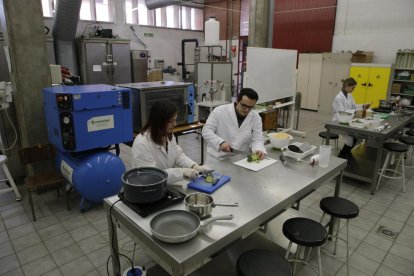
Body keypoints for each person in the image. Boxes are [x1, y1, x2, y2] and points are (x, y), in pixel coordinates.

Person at [132, 100, 210, 184]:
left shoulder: (166, 134)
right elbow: (151, 176)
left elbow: (178, 155)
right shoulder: (142, 144)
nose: (175, 124)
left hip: (164, 186)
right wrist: (181, 172)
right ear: (158, 122)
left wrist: (195, 166)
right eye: (170, 121)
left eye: (175, 120)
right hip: (146, 190)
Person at [202, 88, 267, 160]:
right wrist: (220, 142)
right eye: (244, 106)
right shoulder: (219, 111)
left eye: (250, 107)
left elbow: (257, 139)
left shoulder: (255, 118)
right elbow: (206, 131)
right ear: (237, 101)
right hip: (217, 159)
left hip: (239, 160)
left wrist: (258, 149)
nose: (246, 110)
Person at [332, 77, 369, 158]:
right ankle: (341, 156)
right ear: (347, 86)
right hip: (338, 122)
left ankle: (346, 153)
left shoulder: (349, 95)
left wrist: (363, 106)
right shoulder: (339, 97)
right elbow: (342, 112)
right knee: (351, 138)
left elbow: (354, 106)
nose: (354, 89)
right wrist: (355, 112)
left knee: (357, 137)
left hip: (347, 121)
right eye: (353, 88)